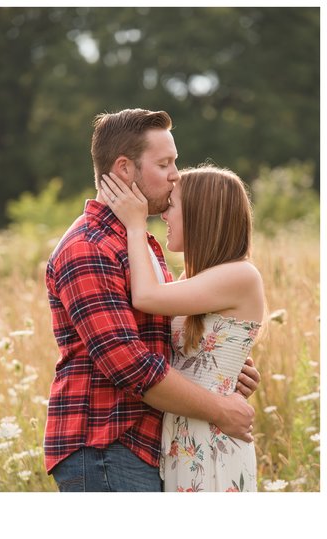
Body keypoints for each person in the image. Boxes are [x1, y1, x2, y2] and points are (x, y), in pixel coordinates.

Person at [43, 108, 260, 492]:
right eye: (164, 164)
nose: (176, 174)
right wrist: (218, 406)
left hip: (144, 447)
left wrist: (219, 367)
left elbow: (162, 342)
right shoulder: (88, 248)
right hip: (106, 447)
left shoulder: (136, 242)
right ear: (125, 169)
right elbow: (128, 364)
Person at [100, 166, 263, 492]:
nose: (163, 215)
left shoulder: (240, 275)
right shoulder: (193, 282)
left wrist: (135, 225)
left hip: (212, 439)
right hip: (182, 436)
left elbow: (145, 296)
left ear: (201, 214)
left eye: (172, 205)